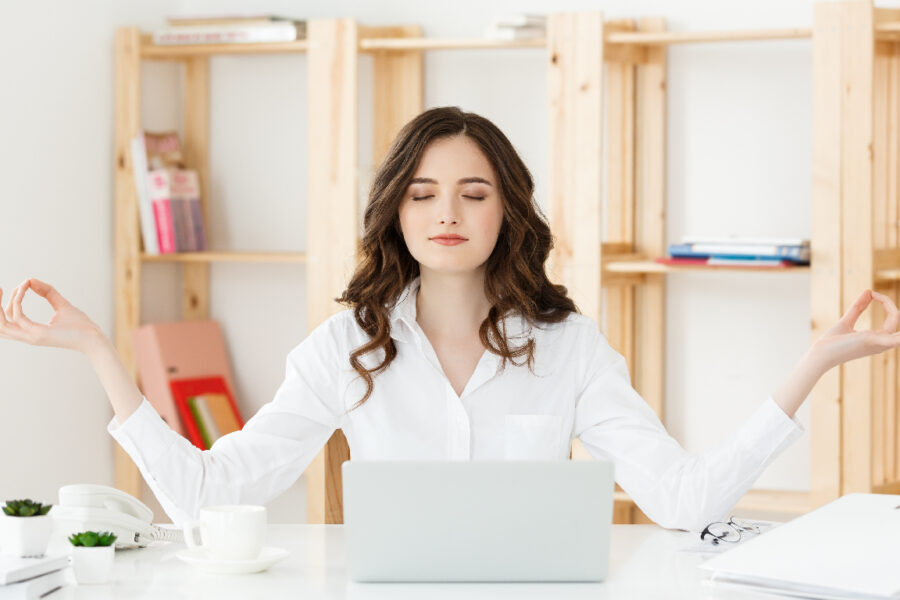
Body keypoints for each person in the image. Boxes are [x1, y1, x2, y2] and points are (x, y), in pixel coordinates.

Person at [2, 106, 899, 531]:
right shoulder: (347, 347)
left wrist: (813, 363)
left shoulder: (571, 349)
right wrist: (95, 349)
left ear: (507, 211)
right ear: (396, 209)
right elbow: (207, 497)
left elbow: (684, 500)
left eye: (475, 193)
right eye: (424, 192)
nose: (449, 213)